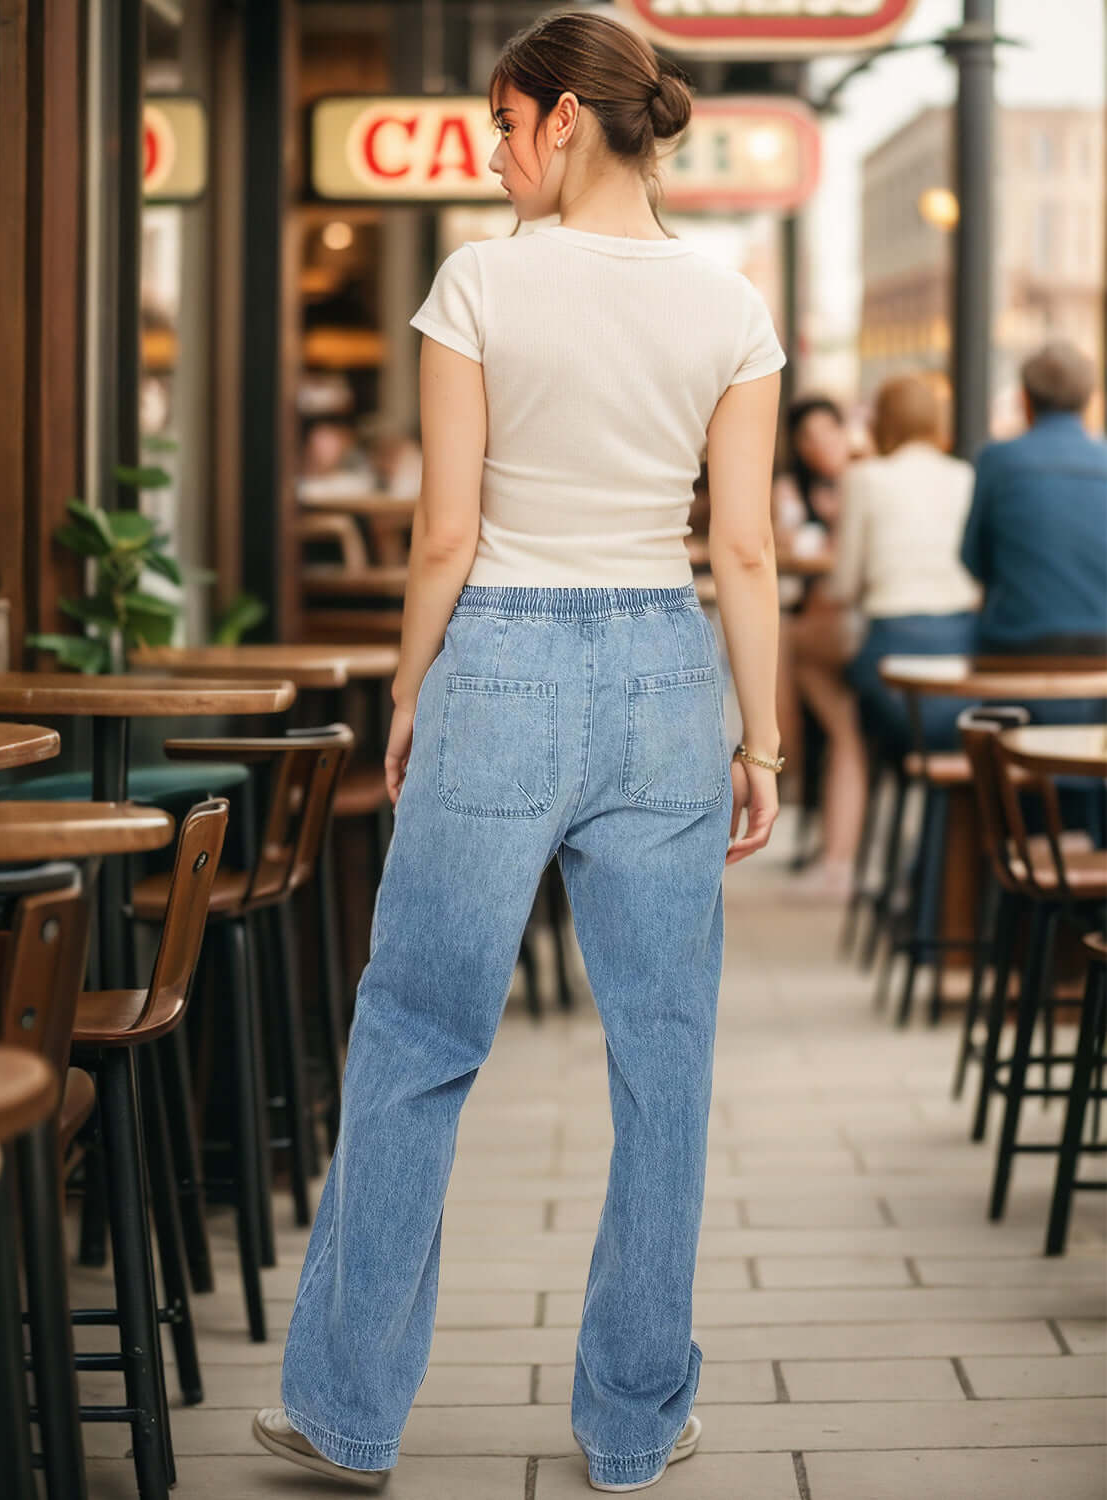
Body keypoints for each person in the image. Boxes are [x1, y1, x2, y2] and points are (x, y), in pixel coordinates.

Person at [253, 12, 786, 1495]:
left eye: (502, 126)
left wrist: (416, 687)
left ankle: (347, 1412)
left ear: (561, 120)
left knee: (420, 1032)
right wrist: (766, 738)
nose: (492, 156)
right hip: (667, 670)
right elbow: (737, 546)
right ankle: (630, 1426)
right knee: (663, 1053)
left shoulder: (479, 282)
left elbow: (442, 531)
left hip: (499, 656)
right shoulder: (728, 302)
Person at [831, 372, 982, 759]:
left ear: (881, 422)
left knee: (807, 657)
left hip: (889, 655)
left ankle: (834, 758)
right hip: (960, 653)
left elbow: (844, 588)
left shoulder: (863, 478)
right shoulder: (965, 477)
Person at [773, 396, 867, 897]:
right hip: (831, 625)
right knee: (843, 725)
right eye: (806, 438)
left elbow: (847, 572)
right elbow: (782, 539)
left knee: (787, 647)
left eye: (826, 433)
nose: (818, 446)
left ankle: (776, 752)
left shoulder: (867, 478)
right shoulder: (795, 488)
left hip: (853, 631)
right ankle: (778, 752)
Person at [960, 339, 1107, 659]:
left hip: (1015, 644)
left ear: (1024, 400)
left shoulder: (997, 460)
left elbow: (973, 560)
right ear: (1088, 402)